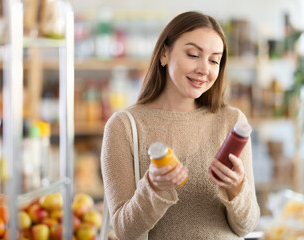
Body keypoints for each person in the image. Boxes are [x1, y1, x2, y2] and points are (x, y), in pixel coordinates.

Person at [101, 11, 260, 240]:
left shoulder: (232, 122)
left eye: (214, 60)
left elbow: (247, 225)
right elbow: (125, 231)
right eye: (193, 54)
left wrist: (236, 189)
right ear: (164, 54)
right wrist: (153, 188)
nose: (204, 69)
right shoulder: (124, 126)